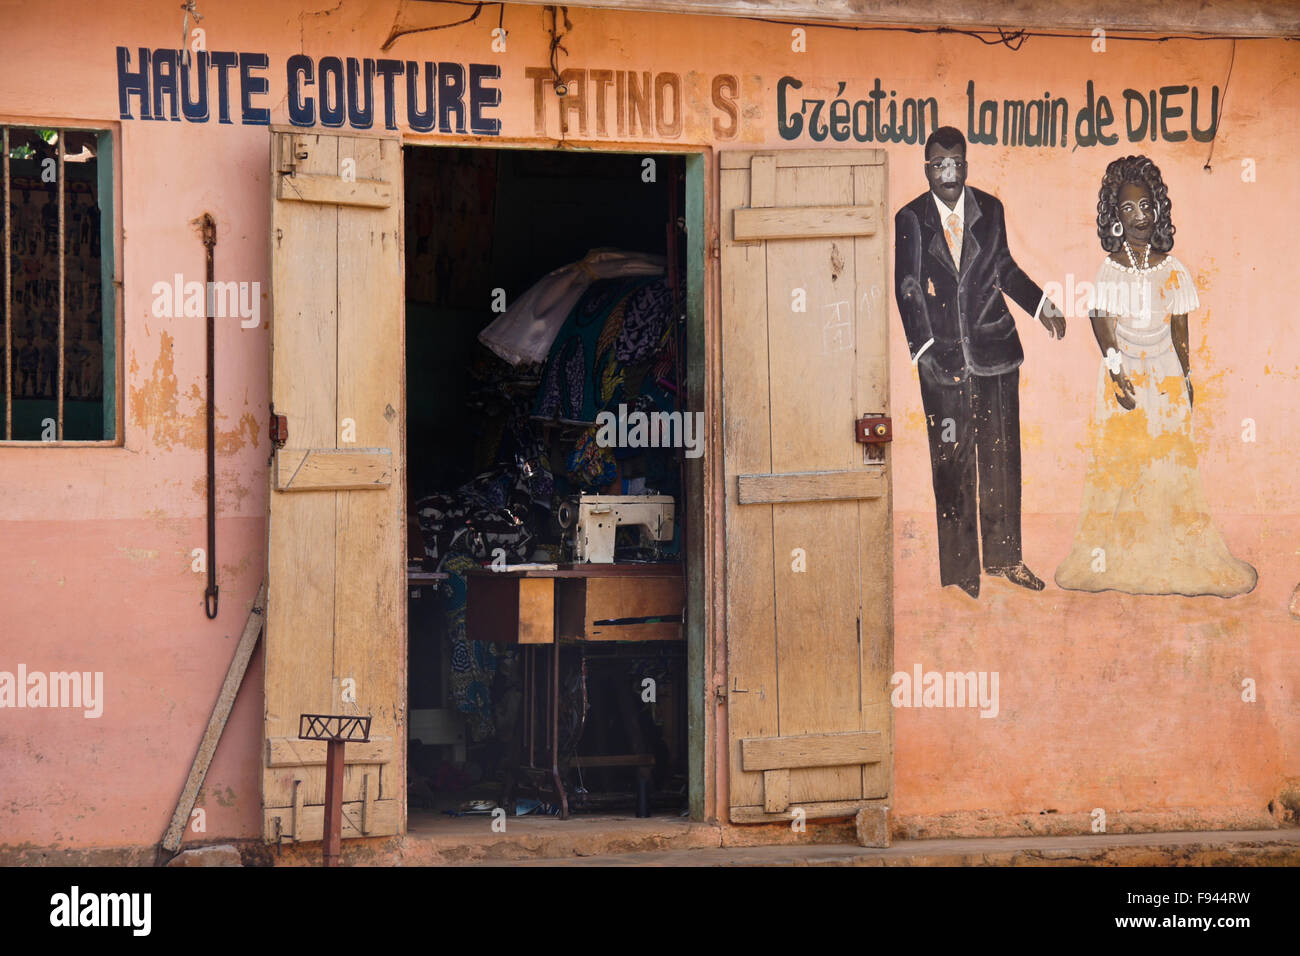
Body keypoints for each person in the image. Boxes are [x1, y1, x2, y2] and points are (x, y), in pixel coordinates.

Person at [1054, 155, 1256, 597]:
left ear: (1158, 209)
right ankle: (1117, 557)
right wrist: (1115, 373)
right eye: (1128, 210)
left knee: (1168, 465)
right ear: (1115, 218)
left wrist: (1186, 378)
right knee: (1122, 465)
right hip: (1123, 376)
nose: (1140, 217)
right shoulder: (1110, 267)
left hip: (1164, 375)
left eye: (1146, 206)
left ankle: (1173, 555)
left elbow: (1181, 330)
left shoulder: (1173, 268)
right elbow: (1099, 319)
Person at [894, 126, 1065, 599]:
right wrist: (924, 353)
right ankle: (961, 570)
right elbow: (907, 287)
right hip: (942, 360)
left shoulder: (991, 210)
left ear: (967, 164)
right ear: (927, 168)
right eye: (938, 164)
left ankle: (1006, 559)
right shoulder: (910, 217)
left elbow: (1004, 268)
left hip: (995, 353)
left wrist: (1041, 305)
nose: (948, 172)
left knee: (1001, 458)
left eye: (956, 162)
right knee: (950, 462)